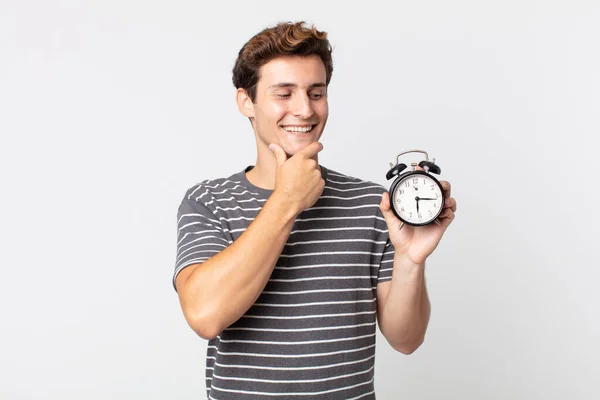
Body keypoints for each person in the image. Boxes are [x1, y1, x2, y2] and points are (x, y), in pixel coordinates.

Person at [173, 21, 457, 399]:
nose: (304, 110)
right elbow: (205, 315)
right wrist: (287, 201)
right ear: (246, 102)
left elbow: (406, 339)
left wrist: (410, 259)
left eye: (316, 92)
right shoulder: (209, 201)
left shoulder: (371, 203)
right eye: (284, 93)